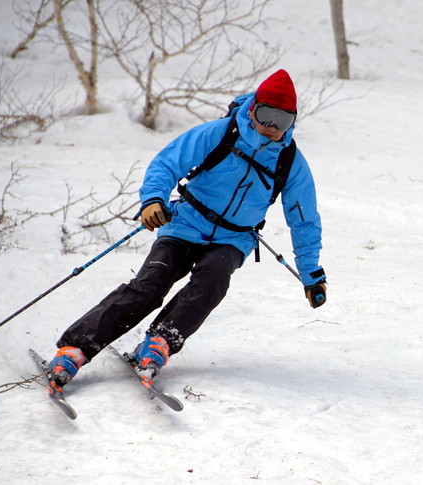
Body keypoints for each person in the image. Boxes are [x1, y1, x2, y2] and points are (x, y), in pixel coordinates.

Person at [46, 69, 326, 391]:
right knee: (151, 284)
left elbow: (303, 219)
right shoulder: (221, 133)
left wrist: (311, 275)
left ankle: (159, 343)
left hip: (233, 238)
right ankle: (76, 348)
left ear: (293, 121)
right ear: (253, 109)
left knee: (213, 281)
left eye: (283, 120)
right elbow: (167, 163)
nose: (272, 127)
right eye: (266, 115)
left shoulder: (290, 162)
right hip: (186, 223)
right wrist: (153, 199)